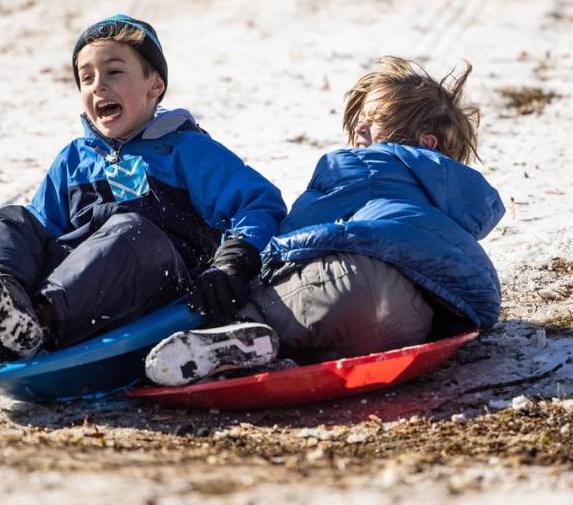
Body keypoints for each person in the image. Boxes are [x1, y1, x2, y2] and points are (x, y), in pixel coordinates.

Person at [0, 14, 286, 362]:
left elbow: (259, 203)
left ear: (154, 86)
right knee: (8, 220)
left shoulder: (184, 150)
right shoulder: (74, 159)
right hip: (82, 287)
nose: (98, 85)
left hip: (159, 282)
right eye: (87, 78)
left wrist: (232, 261)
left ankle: (36, 321)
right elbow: (41, 230)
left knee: (130, 230)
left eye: (114, 72)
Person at [145, 56, 505, 386]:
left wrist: (256, 267)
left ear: (427, 145)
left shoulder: (366, 164)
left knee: (285, 292)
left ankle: (233, 331)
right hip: (418, 323)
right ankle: (270, 352)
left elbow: (299, 232)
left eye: (369, 128)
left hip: (363, 286)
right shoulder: (453, 205)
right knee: (330, 322)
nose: (356, 139)